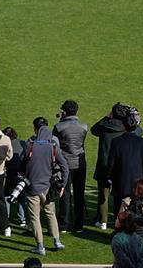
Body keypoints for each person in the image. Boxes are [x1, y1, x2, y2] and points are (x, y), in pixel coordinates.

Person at [23, 117, 69, 255]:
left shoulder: (30, 145)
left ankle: (40, 246)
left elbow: (23, 164)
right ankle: (57, 241)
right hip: (48, 187)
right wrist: (62, 185)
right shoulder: (53, 146)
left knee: (35, 217)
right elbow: (65, 167)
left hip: (32, 186)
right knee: (50, 213)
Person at [93, 103, 135, 229]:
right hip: (119, 167)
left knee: (103, 195)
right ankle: (119, 220)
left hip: (104, 165)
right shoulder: (125, 128)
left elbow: (94, 129)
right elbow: (139, 131)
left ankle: (103, 221)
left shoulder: (104, 126)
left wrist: (106, 117)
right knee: (119, 196)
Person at [53, 99, 88, 233]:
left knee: (65, 194)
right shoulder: (84, 127)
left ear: (65, 112)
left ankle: (63, 224)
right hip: (80, 163)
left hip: (66, 164)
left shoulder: (59, 127)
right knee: (79, 194)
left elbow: (56, 142)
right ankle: (79, 225)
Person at [108, 114, 143, 214]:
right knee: (137, 211)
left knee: (119, 210)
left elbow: (111, 164)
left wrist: (109, 177)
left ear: (123, 125)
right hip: (137, 183)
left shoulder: (116, 142)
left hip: (120, 182)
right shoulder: (142, 142)